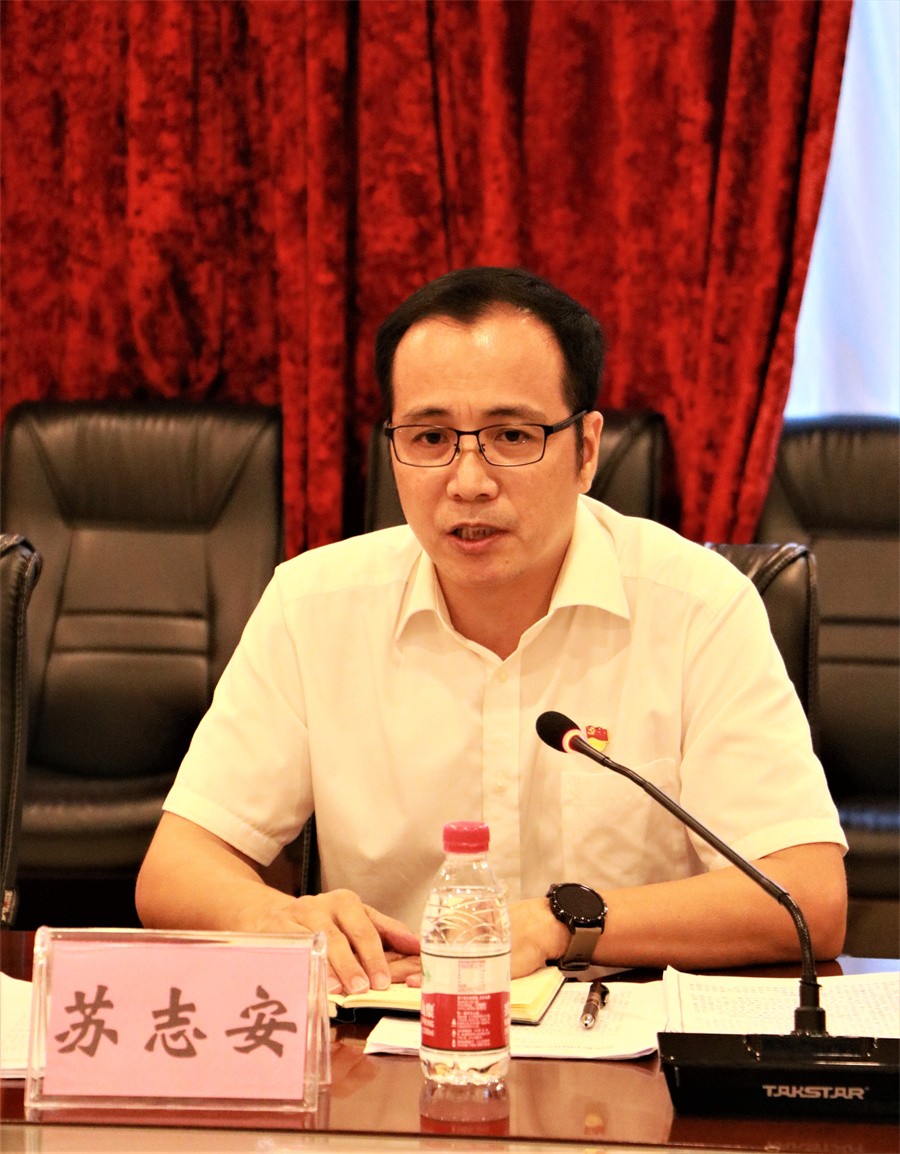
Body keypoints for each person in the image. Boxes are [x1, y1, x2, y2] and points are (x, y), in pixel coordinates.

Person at [136, 266, 847, 995]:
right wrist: (277, 917)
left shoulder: (699, 608)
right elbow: (175, 868)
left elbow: (808, 897)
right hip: (397, 1028)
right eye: (430, 436)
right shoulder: (313, 607)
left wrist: (559, 923)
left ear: (587, 449)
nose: (469, 481)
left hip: (629, 1031)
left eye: (512, 435)